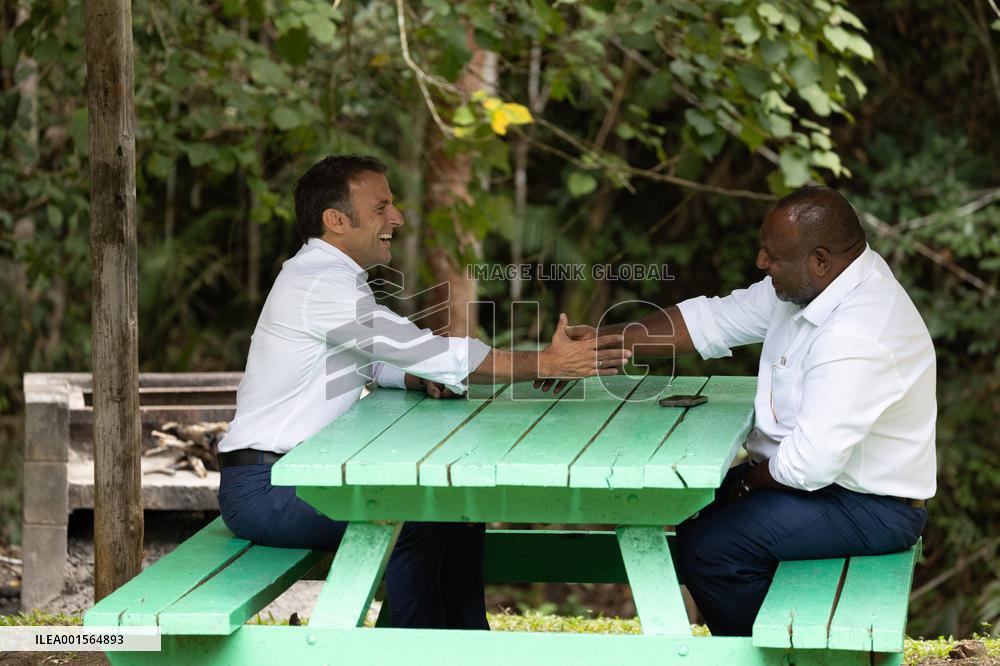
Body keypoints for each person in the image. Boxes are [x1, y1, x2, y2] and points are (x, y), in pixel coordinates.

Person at [216, 154, 630, 630]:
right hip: (270, 490)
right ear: (335, 220)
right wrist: (545, 363)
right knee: (418, 515)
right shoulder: (318, 285)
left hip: (301, 477)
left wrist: (411, 376)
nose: (398, 218)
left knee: (456, 507)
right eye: (381, 207)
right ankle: (410, 652)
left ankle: (464, 645)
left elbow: (369, 358)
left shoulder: (326, 279)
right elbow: (427, 350)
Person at [546, 186, 934, 636]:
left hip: (871, 506)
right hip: (827, 486)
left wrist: (745, 484)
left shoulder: (855, 334)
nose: (761, 263)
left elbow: (809, 466)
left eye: (773, 255)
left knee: (712, 549)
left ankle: (782, 654)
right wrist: (593, 346)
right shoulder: (819, 285)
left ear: (820, 260)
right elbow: (710, 321)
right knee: (696, 513)